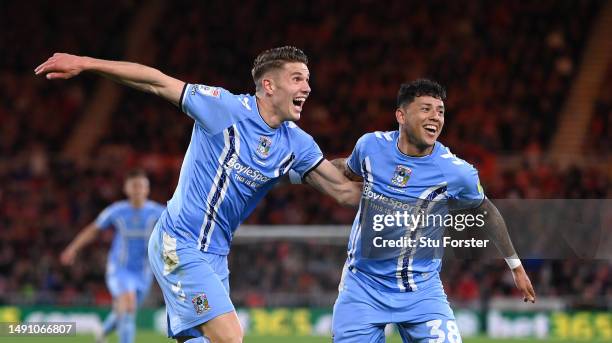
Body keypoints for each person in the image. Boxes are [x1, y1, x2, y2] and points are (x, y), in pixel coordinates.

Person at [37, 46, 360, 343]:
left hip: (216, 257)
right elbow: (157, 82)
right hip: (178, 243)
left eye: (307, 79)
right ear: (269, 86)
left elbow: (343, 190)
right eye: (297, 79)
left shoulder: (297, 144)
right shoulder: (224, 107)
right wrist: (86, 63)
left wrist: (405, 194)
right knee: (230, 337)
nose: (307, 87)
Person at [330, 79, 536, 342]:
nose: (435, 117)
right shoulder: (371, 147)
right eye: (426, 109)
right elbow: (345, 170)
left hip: (422, 291)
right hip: (363, 287)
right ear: (401, 115)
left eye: (440, 111)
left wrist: (516, 267)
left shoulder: (456, 172)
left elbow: (486, 211)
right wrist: (303, 168)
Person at [60, 169, 164, 343]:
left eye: (141, 186)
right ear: (127, 189)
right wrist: (73, 248)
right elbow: (93, 230)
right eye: (134, 186)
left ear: (147, 189)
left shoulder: (158, 212)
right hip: (120, 269)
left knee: (124, 312)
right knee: (128, 305)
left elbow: (177, 228)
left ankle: (101, 333)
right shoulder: (116, 211)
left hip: (144, 272)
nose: (138, 189)